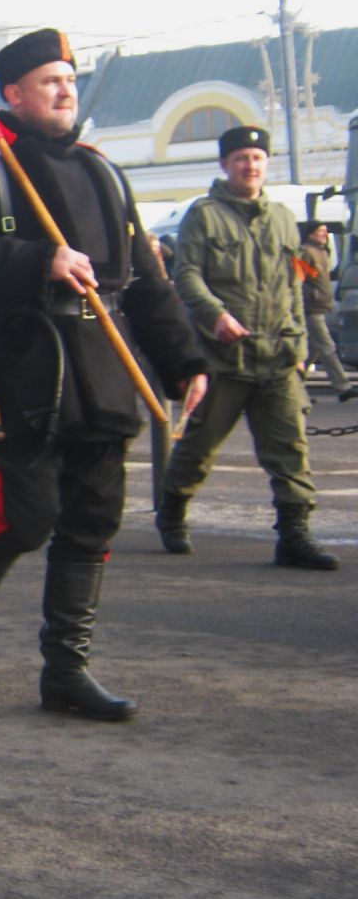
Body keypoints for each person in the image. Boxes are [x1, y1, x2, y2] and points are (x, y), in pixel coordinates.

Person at [0, 28, 208, 721]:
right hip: (18, 369)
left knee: (92, 522)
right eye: (50, 81)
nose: (65, 90)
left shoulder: (103, 170)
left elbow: (142, 280)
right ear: (13, 94)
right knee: (25, 516)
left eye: (70, 80)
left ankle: (67, 670)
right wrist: (37, 260)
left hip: (102, 370)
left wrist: (184, 360)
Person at [156, 127, 339, 569]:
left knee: (290, 450)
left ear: (265, 164)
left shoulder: (280, 217)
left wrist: (298, 344)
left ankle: (294, 536)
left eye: (257, 158)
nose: (250, 166)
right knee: (199, 448)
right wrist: (215, 315)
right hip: (224, 359)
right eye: (241, 158)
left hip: (277, 357)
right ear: (225, 165)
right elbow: (188, 276)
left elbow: (291, 282)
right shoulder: (204, 215)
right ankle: (173, 512)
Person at [297, 222, 353, 402]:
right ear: (310, 234)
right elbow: (298, 278)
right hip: (311, 308)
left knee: (310, 352)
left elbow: (314, 276)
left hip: (320, 307)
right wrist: (311, 295)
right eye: (320, 231)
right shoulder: (305, 252)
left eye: (325, 231)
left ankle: (295, 390)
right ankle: (343, 386)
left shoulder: (322, 252)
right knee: (327, 346)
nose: (325, 234)